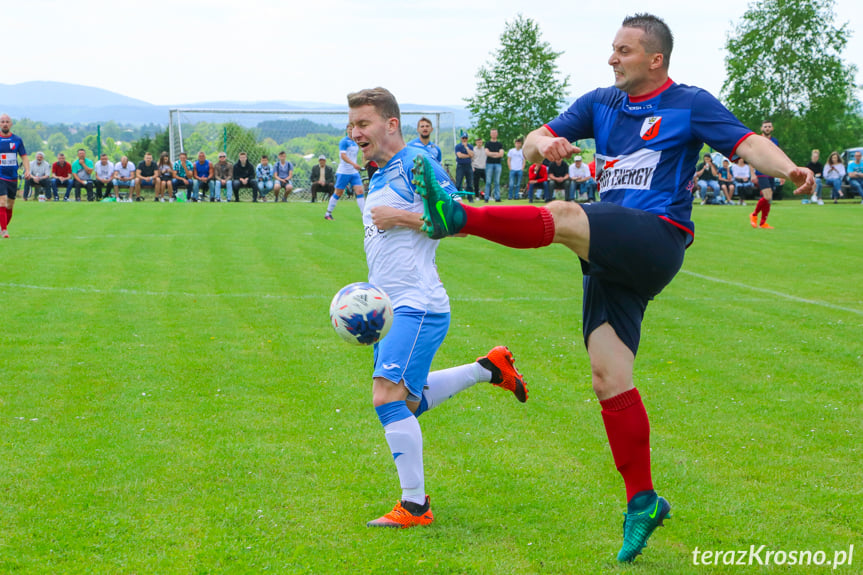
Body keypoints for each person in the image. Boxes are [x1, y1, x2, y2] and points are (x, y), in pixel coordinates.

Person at [414, 13, 813, 562]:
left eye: (623, 51)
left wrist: (790, 169)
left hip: (655, 238)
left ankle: (457, 218)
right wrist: (543, 146)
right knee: (609, 379)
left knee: (564, 214)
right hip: (608, 254)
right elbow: (533, 141)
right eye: (611, 48)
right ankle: (642, 501)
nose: (611, 58)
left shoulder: (690, 103)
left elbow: (746, 145)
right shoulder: (600, 102)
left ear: (655, 60)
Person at [346, 86, 528, 530]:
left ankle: (414, 507)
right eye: (352, 125)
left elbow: (460, 221)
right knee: (404, 402)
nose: (355, 133)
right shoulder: (380, 171)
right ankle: (489, 368)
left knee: (386, 397)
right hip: (390, 308)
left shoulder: (417, 163)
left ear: (391, 124)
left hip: (417, 303)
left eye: (363, 124)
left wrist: (401, 217)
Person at [749, 120, 784, 228]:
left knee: (768, 199)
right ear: (761, 128)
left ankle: (763, 222)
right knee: (767, 196)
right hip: (761, 170)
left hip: (771, 171)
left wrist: (781, 174)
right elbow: (750, 157)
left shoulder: (775, 141)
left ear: (772, 128)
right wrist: (752, 174)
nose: (767, 128)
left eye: (769, 126)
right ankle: (754, 215)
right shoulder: (757, 140)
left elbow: (778, 157)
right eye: (765, 126)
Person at [325, 128, 365, 219]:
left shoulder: (355, 142)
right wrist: (354, 164)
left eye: (353, 129)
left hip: (354, 172)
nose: (352, 131)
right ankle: (328, 213)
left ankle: (364, 215)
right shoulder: (344, 141)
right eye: (350, 129)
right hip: (344, 172)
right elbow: (343, 156)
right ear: (347, 130)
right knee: (338, 193)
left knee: (360, 191)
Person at [0, 114, 29, 238]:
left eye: (7, 122)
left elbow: (24, 156)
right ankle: (5, 230)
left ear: (11, 124)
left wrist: (27, 170)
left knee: (10, 205)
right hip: (0, 176)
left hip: (12, 176)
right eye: (2, 122)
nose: (5, 124)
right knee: (2, 201)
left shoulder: (17, 140)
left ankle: (2, 227)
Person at [484, 129, 504, 202]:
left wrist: (492, 154)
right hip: (489, 164)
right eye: (492, 133)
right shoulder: (487, 144)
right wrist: (496, 154)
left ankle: (497, 198)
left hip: (498, 164)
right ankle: (486, 197)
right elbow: (487, 153)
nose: (494, 134)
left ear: (497, 134)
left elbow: (501, 154)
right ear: (490, 134)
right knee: (488, 182)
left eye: (495, 133)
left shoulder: (500, 144)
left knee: (497, 182)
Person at [454, 133, 474, 198]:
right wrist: (468, 155)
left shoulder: (470, 146)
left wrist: (466, 147)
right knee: (458, 182)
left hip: (468, 165)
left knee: (470, 183)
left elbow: (472, 155)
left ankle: (470, 198)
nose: (464, 139)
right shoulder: (458, 146)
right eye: (463, 138)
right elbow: (459, 155)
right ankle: (457, 197)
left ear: (467, 139)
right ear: (461, 138)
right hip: (460, 166)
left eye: (466, 138)